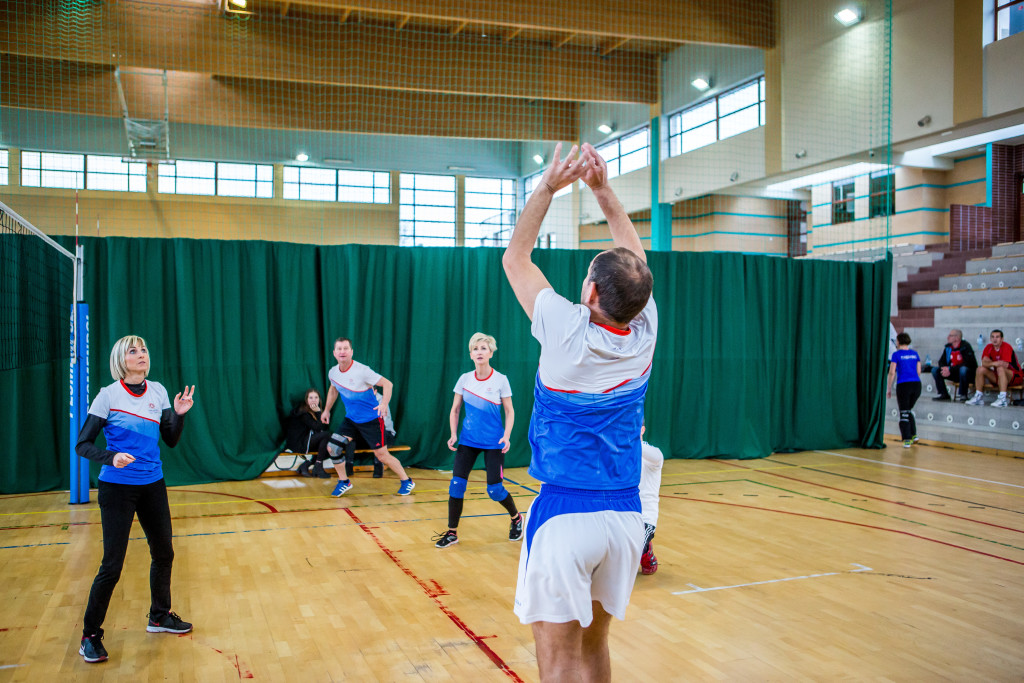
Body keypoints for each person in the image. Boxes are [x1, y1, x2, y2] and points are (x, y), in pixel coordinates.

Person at [503, 142, 656, 681]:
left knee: (557, 660)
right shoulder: (645, 329)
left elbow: (515, 258)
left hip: (565, 512)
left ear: (590, 291)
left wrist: (549, 186)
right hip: (625, 517)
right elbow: (635, 265)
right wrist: (604, 192)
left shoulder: (565, 327)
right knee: (595, 649)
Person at [74, 335, 196, 663]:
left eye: (143, 349)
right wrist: (111, 457)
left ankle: (159, 616)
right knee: (112, 565)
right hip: (117, 488)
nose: (141, 354)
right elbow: (82, 444)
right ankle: (89, 635)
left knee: (164, 553)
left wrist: (179, 414)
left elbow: (170, 439)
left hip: (153, 484)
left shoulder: (158, 391)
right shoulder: (108, 395)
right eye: (133, 351)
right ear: (121, 360)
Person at [433, 332, 522, 549]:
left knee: (495, 490)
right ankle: (452, 533)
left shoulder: (501, 379)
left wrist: (507, 436)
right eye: (475, 348)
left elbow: (510, 411)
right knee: (456, 486)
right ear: (471, 354)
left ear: (491, 353)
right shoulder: (465, 379)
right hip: (468, 441)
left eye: (483, 348)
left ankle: (516, 518)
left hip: (494, 442)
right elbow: (455, 410)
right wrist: (453, 434)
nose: (479, 352)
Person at [320, 337, 414, 496]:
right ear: (334, 353)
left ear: (351, 352)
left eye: (346, 348)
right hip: (351, 419)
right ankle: (344, 481)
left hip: (371, 420)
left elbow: (388, 384)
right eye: (339, 349)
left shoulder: (362, 371)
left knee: (382, 455)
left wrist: (384, 404)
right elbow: (333, 389)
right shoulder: (333, 372)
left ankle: (407, 481)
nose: (342, 352)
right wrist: (327, 410)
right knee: (333, 448)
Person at [966, 329, 1022, 408]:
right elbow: (983, 363)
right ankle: (978, 397)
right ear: (990, 339)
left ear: (1002, 339)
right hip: (999, 376)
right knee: (980, 369)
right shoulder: (988, 347)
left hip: (1015, 376)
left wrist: (990, 363)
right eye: (992, 337)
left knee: (1000, 369)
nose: (994, 339)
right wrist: (994, 363)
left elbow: (1005, 365)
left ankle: (1002, 399)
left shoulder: (1006, 346)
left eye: (997, 337)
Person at [887, 332, 921, 448]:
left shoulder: (896, 355)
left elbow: (892, 372)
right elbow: (918, 371)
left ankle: (907, 439)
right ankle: (914, 435)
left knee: (904, 413)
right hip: (916, 384)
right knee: (908, 410)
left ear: (898, 341)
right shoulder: (915, 354)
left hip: (904, 385)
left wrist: (889, 387)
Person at [287, 389, 330, 478]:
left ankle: (307, 465)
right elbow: (317, 427)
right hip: (299, 443)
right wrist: (318, 412)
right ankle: (318, 467)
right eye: (311, 398)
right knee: (326, 435)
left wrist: (318, 413)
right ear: (306, 400)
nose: (314, 400)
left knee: (329, 446)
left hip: (307, 440)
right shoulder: (303, 412)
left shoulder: (312, 411)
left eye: (316, 397)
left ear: (319, 399)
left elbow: (320, 428)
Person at [638, 424, 663, 575]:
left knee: (630, 552)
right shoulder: (619, 454)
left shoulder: (652, 454)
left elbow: (657, 457)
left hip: (645, 518)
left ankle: (646, 553)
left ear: (642, 429)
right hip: (622, 513)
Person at [930, 329, 977, 402]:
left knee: (963, 369)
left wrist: (950, 369)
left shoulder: (966, 347)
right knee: (935, 370)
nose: (948, 337)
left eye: (950, 336)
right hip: (952, 372)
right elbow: (941, 361)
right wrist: (945, 369)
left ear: (957, 338)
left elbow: (968, 363)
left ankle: (963, 395)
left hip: (967, 374)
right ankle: (944, 394)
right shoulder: (948, 347)